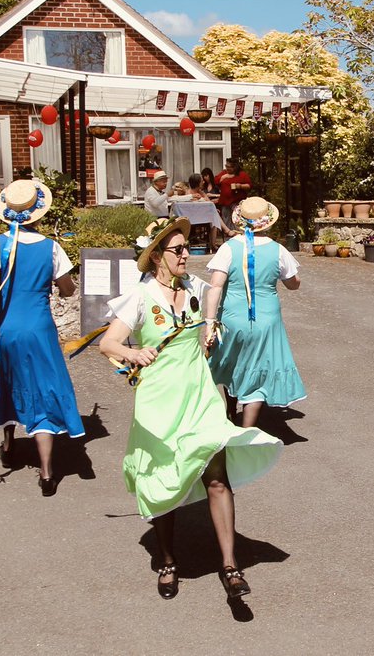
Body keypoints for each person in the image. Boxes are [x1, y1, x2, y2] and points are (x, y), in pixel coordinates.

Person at [98, 217, 283, 600]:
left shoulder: (195, 287)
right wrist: (133, 351)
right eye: (178, 249)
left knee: (216, 476)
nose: (187, 254)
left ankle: (231, 567)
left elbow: (220, 308)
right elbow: (109, 343)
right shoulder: (140, 297)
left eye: (187, 247)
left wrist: (216, 330)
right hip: (159, 400)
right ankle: (167, 559)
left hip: (200, 396)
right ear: (156, 258)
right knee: (163, 478)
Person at [0, 179, 84, 496]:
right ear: (38, 214)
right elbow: (67, 289)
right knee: (42, 388)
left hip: (4, 326)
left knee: (6, 380)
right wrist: (59, 286)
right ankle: (47, 473)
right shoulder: (53, 247)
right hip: (39, 328)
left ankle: (9, 441)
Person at [205, 197, 305, 428]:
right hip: (266, 320)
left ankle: (230, 410)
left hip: (232, 317)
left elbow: (216, 286)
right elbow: (293, 283)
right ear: (267, 223)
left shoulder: (228, 248)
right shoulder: (278, 250)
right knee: (258, 370)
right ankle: (246, 430)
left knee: (232, 361)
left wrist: (210, 322)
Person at [215, 158, 252, 229]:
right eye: (226, 166)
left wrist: (240, 186)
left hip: (236, 201)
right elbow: (216, 181)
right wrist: (223, 177)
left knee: (237, 220)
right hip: (225, 202)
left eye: (229, 167)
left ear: (235, 167)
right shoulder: (224, 173)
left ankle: (238, 234)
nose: (227, 168)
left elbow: (249, 185)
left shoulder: (242, 175)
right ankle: (229, 235)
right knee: (226, 220)